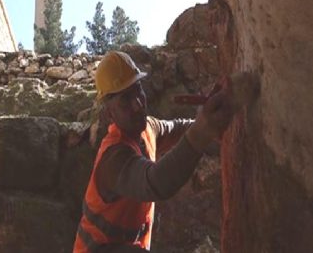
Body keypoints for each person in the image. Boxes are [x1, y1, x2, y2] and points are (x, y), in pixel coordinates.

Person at [73, 51, 237, 253]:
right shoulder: (113, 158)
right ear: (109, 113)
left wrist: (212, 122)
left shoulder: (148, 128)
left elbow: (179, 128)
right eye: (125, 99)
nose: (138, 104)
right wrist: (203, 130)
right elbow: (156, 182)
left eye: (138, 90)